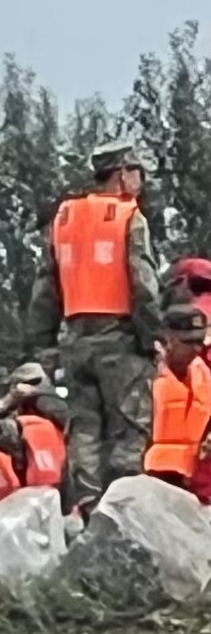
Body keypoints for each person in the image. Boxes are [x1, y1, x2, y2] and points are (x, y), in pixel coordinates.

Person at [37, 141, 169, 505]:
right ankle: (124, 509)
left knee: (84, 428)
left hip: (75, 339)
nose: (140, 181)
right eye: (137, 172)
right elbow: (143, 283)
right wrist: (152, 336)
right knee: (129, 427)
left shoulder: (64, 216)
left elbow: (45, 286)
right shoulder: (129, 216)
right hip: (121, 337)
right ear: (122, 174)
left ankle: (88, 506)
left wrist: (45, 343)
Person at [154, 303, 211, 499]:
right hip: (142, 482)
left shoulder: (204, 374)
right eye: (188, 342)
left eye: (200, 342)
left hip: (191, 487)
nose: (196, 349)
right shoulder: (141, 373)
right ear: (167, 338)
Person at [2, 365, 71, 503]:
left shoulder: (45, 402)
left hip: (55, 465)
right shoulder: (25, 403)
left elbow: (68, 425)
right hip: (37, 467)